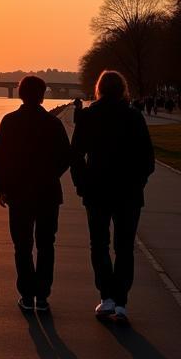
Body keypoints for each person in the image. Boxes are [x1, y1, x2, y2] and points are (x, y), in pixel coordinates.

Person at [70, 70, 155, 324]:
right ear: (123, 90)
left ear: (99, 89)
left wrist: (82, 185)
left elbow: (75, 156)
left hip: (96, 191)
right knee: (125, 247)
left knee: (99, 245)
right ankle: (121, 302)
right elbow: (147, 159)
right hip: (128, 193)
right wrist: (138, 183)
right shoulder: (134, 117)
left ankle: (106, 296)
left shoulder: (88, 116)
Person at [0, 75, 72, 314]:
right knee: (47, 245)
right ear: (42, 95)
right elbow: (65, 157)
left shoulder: (9, 121)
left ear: (20, 94)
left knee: (23, 245)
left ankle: (27, 295)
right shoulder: (53, 123)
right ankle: (43, 296)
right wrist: (51, 175)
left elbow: (0, 158)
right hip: (48, 192)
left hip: (18, 193)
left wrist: (2, 187)